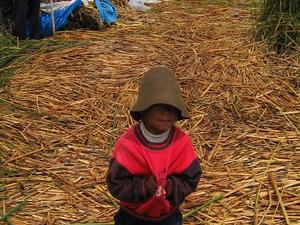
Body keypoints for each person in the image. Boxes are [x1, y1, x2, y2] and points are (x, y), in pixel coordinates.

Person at [107, 65, 202, 225]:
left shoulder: (181, 143)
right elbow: (116, 184)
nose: (166, 112)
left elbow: (190, 179)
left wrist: (169, 186)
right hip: (132, 217)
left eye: (172, 107)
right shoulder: (129, 144)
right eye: (158, 105)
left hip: (168, 217)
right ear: (144, 108)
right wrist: (143, 186)